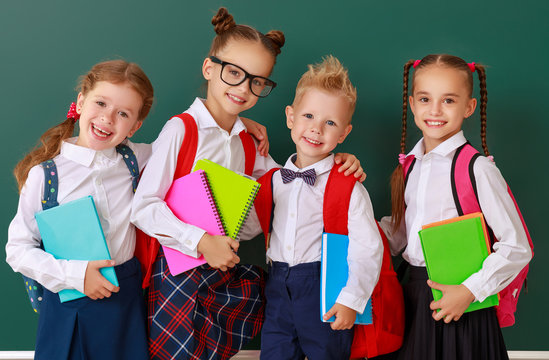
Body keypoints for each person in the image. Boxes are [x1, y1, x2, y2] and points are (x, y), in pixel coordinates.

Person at [131, 8, 364, 360]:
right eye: (234, 73)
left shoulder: (248, 143)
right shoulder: (181, 130)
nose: (243, 88)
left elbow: (289, 183)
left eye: (257, 81)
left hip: (220, 272)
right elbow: (144, 207)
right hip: (178, 274)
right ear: (209, 69)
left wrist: (339, 162)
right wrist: (201, 241)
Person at [379, 54, 532, 360]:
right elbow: (402, 235)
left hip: (465, 305)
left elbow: (517, 247)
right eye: (425, 98)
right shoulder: (410, 167)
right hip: (417, 297)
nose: (434, 110)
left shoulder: (478, 169)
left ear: (469, 107)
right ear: (411, 103)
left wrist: (470, 291)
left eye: (448, 100)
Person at [6, 59, 154, 360]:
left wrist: (243, 124)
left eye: (123, 113)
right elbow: (17, 249)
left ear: (135, 126)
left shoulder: (138, 159)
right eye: (100, 103)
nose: (107, 119)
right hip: (67, 303)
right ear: (81, 102)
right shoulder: (46, 175)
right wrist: (76, 274)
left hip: (125, 301)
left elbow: (189, 140)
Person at [251, 55, 383, 360]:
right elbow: (253, 223)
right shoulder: (271, 180)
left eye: (330, 123)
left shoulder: (348, 185)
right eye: (308, 116)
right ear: (290, 117)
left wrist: (352, 299)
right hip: (277, 286)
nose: (316, 129)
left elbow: (368, 248)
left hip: (324, 288)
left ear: (344, 133)